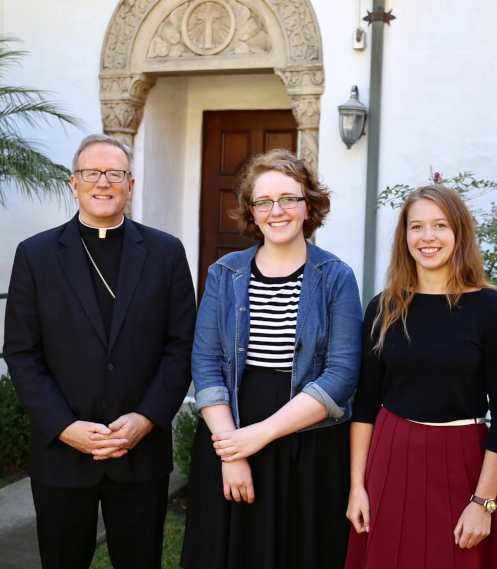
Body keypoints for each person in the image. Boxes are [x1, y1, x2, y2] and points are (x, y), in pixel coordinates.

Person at [4, 134, 196, 569]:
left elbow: (181, 345)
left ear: (131, 184)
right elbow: (21, 352)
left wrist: (145, 419)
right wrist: (64, 426)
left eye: (115, 174)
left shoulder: (166, 253)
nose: (103, 183)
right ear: (74, 184)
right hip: (63, 452)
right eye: (92, 173)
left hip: (139, 452)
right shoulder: (35, 255)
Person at [179, 149, 363, 569]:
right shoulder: (224, 273)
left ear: (309, 205)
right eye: (263, 201)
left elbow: (341, 375)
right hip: (231, 434)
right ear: (252, 211)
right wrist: (234, 452)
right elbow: (206, 365)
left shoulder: (336, 276)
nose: (276, 210)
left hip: (309, 443)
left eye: (289, 198)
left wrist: (260, 435)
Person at [343, 185, 497, 569]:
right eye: (416, 226)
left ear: (458, 233)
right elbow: (366, 405)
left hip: (461, 460)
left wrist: (483, 502)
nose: (427, 237)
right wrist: (357, 487)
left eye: (439, 225)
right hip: (390, 454)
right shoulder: (384, 307)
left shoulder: (491, 308)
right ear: (404, 235)